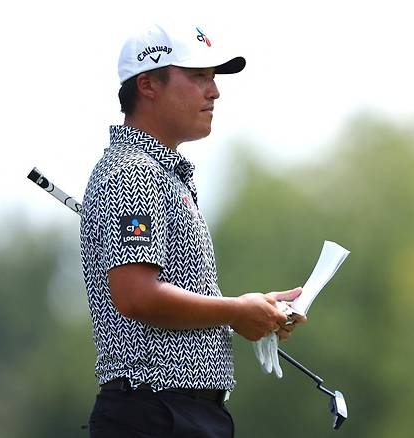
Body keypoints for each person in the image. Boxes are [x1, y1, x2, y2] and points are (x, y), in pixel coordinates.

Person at [80, 23, 305, 438]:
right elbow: (136, 296)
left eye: (213, 78)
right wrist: (236, 310)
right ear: (147, 85)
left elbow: (163, 295)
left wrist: (247, 312)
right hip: (154, 414)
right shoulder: (132, 173)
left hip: (181, 414)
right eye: (199, 76)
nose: (214, 91)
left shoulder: (166, 175)